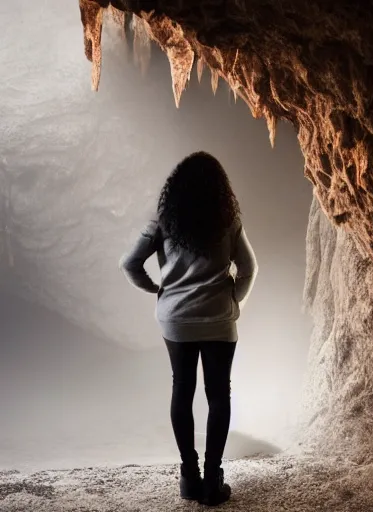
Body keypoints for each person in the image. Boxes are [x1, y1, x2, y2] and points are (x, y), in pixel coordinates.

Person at [119, 152, 258, 506]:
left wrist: (158, 290)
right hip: (218, 319)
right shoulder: (228, 220)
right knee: (218, 395)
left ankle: (189, 476)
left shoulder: (164, 221)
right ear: (219, 189)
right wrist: (234, 302)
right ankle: (213, 480)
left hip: (176, 320)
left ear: (175, 188)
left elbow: (130, 263)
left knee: (182, 389)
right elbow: (248, 268)